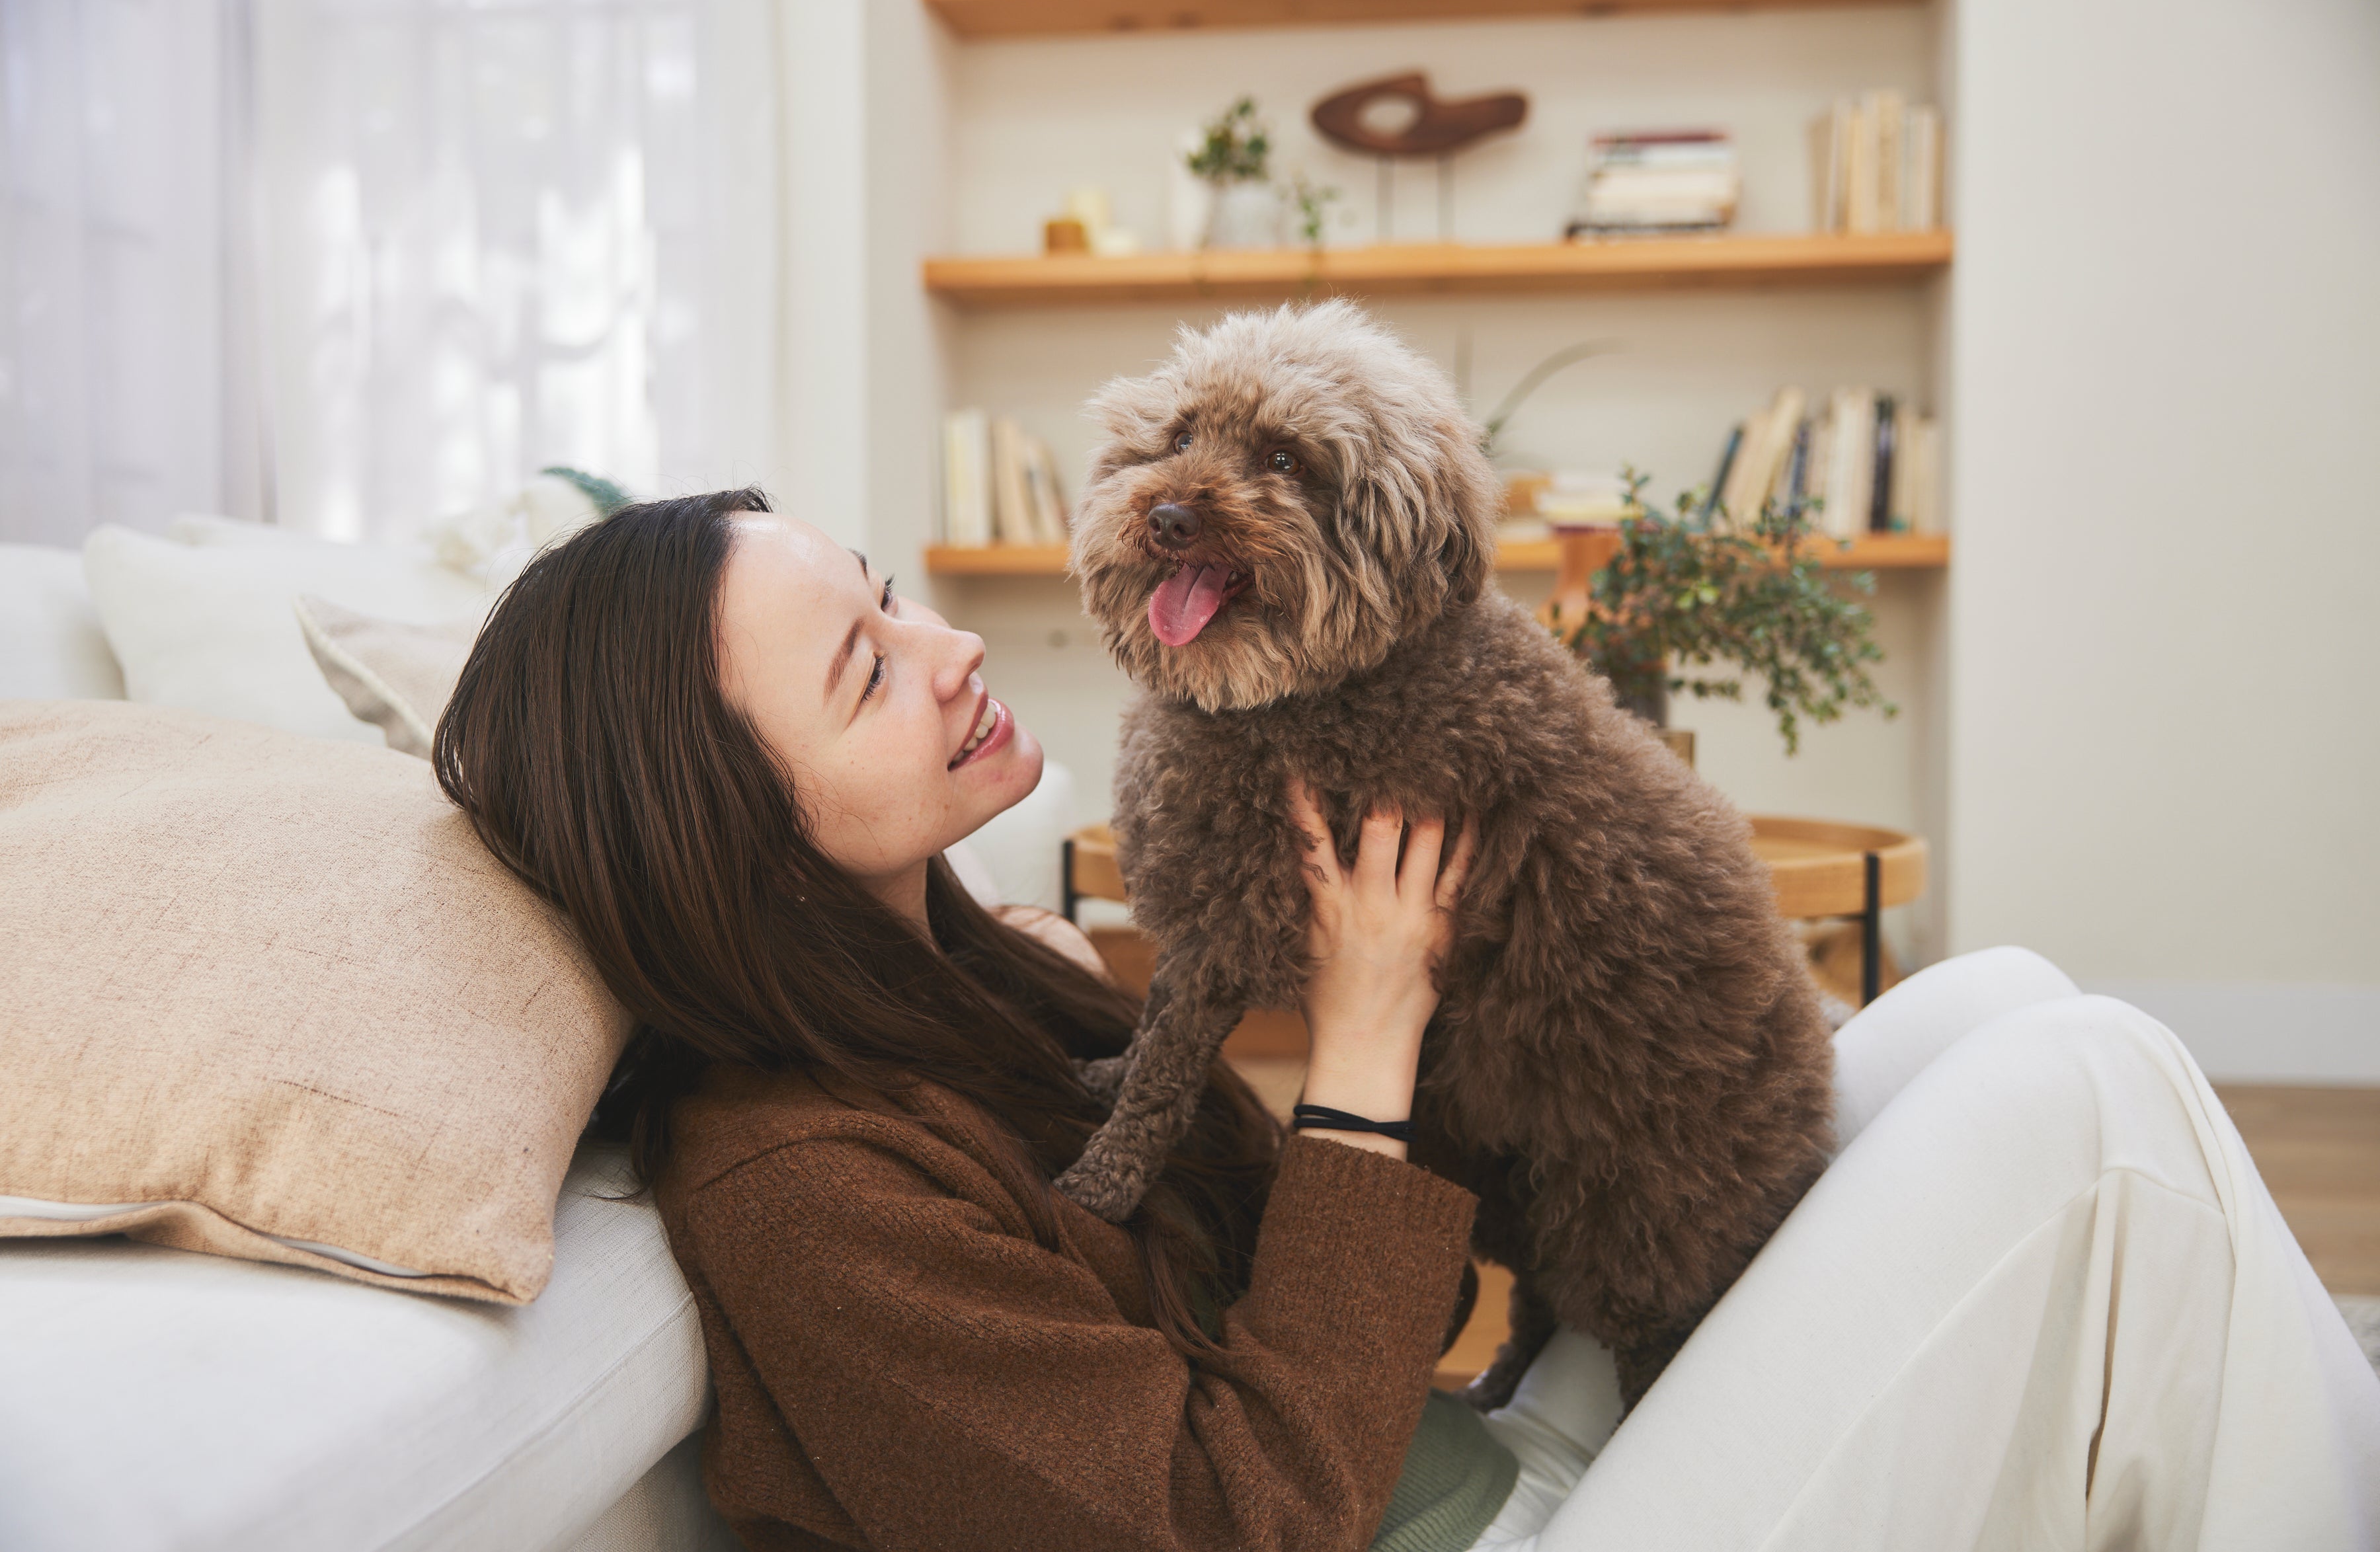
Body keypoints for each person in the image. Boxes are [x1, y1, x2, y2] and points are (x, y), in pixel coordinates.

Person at [434, 490, 2380, 1552]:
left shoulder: (962, 979)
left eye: (889, 597)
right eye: (867, 669)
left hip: (1466, 1460)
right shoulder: (798, 1190)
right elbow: (1233, 1522)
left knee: (1998, 1009)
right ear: (733, 837)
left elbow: (1267, 1283)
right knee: (2099, 1101)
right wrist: (1363, 1040)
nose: (948, 650)